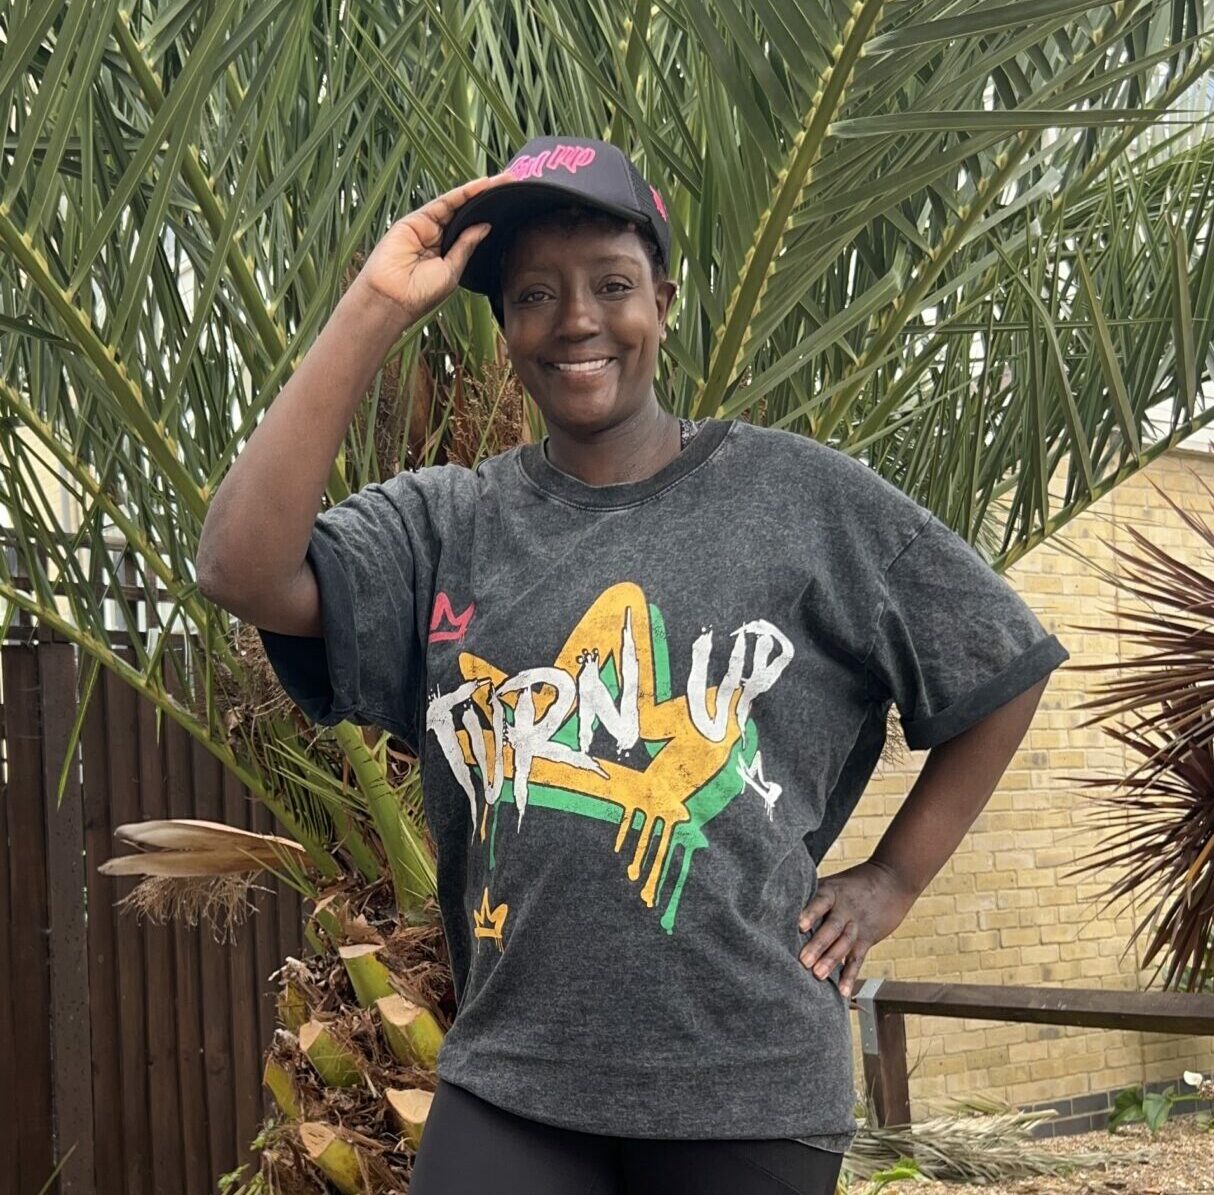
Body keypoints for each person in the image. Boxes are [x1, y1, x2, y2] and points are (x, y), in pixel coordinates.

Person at [198, 135, 1070, 1195]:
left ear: (661, 301)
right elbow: (239, 567)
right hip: (513, 1072)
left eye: (610, 285)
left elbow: (1000, 657)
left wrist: (893, 878)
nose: (575, 319)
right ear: (505, 326)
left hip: (746, 1082)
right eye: (534, 294)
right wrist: (376, 306)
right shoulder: (447, 523)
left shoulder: (799, 498)